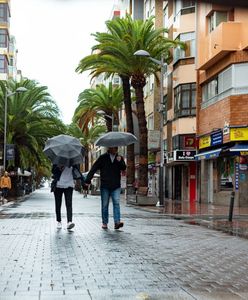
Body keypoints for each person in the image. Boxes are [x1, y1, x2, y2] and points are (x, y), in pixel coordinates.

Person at [85, 146, 126, 230]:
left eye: (116, 148)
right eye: (114, 148)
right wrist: (87, 180)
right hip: (105, 185)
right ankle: (104, 222)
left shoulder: (119, 158)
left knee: (116, 203)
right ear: (110, 148)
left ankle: (117, 222)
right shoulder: (102, 158)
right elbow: (94, 168)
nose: (116, 149)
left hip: (116, 185)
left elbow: (123, 168)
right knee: (104, 205)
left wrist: (119, 161)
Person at [51, 164, 84, 230]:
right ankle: (59, 221)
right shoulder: (58, 161)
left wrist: (84, 180)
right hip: (58, 184)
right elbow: (53, 171)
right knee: (58, 204)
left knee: (69, 204)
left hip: (69, 184)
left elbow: (78, 172)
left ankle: (69, 222)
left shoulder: (73, 161)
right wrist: (59, 168)